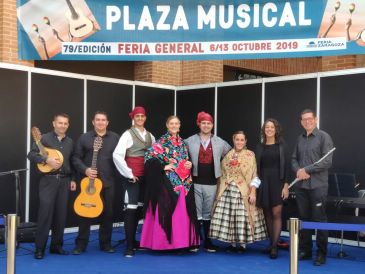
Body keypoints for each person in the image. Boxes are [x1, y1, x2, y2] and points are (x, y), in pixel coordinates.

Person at [140, 115, 200, 251]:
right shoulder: (161, 142)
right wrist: (163, 167)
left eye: (176, 123)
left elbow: (184, 159)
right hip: (167, 183)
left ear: (179, 126)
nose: (174, 126)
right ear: (167, 125)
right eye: (171, 123)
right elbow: (148, 157)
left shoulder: (183, 143)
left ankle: (182, 243)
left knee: (182, 214)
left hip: (184, 183)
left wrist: (189, 163)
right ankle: (165, 244)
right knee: (169, 212)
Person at [27, 113, 76, 259]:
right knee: (45, 215)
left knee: (61, 215)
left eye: (65, 123)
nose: (63, 126)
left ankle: (56, 246)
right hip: (48, 181)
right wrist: (46, 159)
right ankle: (39, 248)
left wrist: (73, 179)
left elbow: (72, 161)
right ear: (54, 123)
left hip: (65, 181)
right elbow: (31, 154)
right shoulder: (44, 138)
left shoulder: (70, 142)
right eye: (60, 123)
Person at [209, 131, 267, 253]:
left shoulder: (250, 155)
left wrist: (253, 192)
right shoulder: (228, 155)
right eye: (237, 139)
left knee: (242, 217)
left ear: (245, 141)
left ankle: (242, 244)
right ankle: (232, 243)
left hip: (243, 191)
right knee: (230, 217)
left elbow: (254, 175)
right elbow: (222, 174)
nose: (239, 142)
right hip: (228, 190)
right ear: (233, 140)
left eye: (242, 140)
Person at [72, 111, 119, 255]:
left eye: (103, 120)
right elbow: (75, 158)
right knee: (85, 212)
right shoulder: (84, 138)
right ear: (93, 122)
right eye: (97, 120)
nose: (100, 122)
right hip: (88, 183)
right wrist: (85, 170)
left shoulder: (115, 138)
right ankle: (81, 244)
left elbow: (121, 157)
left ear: (107, 122)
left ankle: (105, 244)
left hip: (108, 182)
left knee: (108, 214)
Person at [292, 109, 334, 266]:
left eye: (310, 119)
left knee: (319, 219)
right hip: (301, 186)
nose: (307, 121)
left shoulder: (324, 137)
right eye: (304, 120)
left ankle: (321, 253)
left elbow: (327, 161)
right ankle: (306, 250)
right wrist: (298, 170)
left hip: (318, 186)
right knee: (304, 219)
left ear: (315, 120)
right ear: (301, 122)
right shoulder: (299, 139)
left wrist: (306, 170)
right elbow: (293, 159)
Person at [185, 111, 231, 252]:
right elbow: (181, 158)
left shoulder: (220, 142)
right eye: (203, 123)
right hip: (195, 182)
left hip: (212, 182)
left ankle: (208, 242)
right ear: (199, 124)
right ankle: (194, 241)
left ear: (212, 125)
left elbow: (231, 156)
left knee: (208, 213)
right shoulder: (189, 141)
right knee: (195, 213)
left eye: (209, 123)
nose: (206, 125)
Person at [113, 106, 155, 257]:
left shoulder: (150, 136)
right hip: (133, 177)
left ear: (145, 118)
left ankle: (134, 241)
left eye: (142, 116)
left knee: (139, 210)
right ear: (133, 118)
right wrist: (129, 174)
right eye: (137, 116)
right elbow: (117, 155)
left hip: (146, 178)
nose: (140, 119)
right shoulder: (127, 134)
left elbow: (155, 156)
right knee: (131, 210)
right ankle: (129, 246)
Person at [255, 118, 289, 259]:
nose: (269, 129)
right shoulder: (259, 146)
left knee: (276, 214)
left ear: (276, 129)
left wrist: (286, 186)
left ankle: (274, 246)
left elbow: (287, 167)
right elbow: (256, 167)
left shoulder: (282, 145)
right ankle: (271, 243)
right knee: (267, 214)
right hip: (263, 182)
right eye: (267, 127)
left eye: (272, 127)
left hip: (278, 182)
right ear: (264, 130)